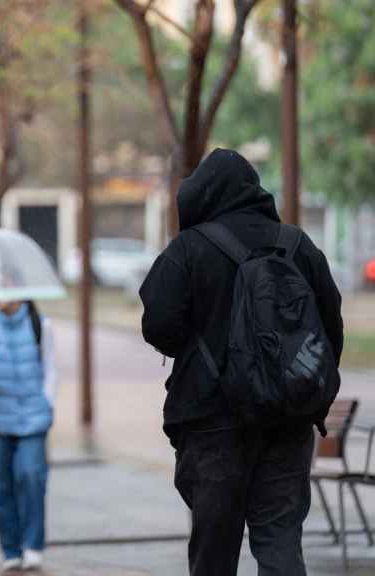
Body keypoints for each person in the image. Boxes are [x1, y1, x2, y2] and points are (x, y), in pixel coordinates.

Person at [139, 149, 343, 575]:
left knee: (215, 551)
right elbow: (329, 328)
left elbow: (159, 324)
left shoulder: (189, 249)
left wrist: (197, 349)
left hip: (213, 423)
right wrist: (302, 388)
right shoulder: (297, 244)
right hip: (287, 420)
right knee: (281, 543)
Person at [0, 300, 56, 572]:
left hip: (34, 416)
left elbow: (51, 369)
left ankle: (32, 545)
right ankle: (10, 549)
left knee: (31, 475)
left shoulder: (41, 325)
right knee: (3, 483)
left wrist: (48, 402)